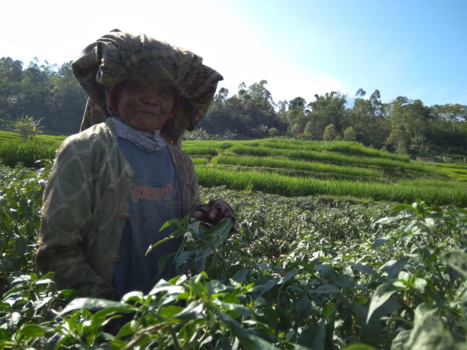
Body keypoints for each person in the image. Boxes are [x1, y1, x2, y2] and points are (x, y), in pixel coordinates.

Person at [36, 29, 234, 301]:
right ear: (115, 95)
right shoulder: (84, 150)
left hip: (168, 316)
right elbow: (57, 250)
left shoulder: (180, 161)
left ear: (173, 105)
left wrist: (214, 218)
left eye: (164, 92)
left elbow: (187, 229)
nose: (151, 98)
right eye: (139, 86)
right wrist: (108, 309)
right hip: (105, 322)